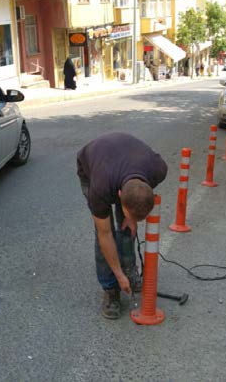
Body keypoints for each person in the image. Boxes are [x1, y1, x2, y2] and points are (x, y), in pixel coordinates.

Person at [77, 133, 168, 319]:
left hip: (124, 166)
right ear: (119, 196)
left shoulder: (158, 169)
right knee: (104, 230)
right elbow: (105, 234)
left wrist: (131, 220)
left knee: (127, 229)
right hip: (92, 165)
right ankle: (111, 288)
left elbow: (139, 198)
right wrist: (118, 274)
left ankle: (130, 270)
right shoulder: (100, 188)